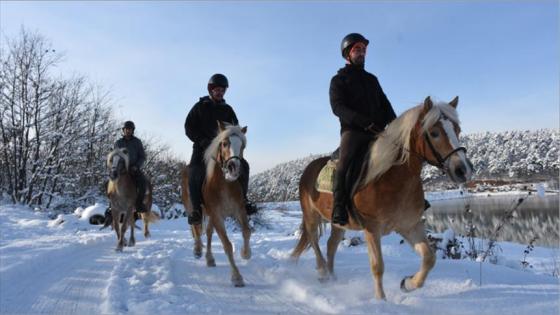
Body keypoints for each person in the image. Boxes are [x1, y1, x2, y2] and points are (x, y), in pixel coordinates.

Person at [329, 33, 397, 226]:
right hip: (353, 131)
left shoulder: (372, 80)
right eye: (357, 49)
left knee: (401, 155)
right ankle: (339, 206)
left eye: (364, 49)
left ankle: (410, 199)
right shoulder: (338, 80)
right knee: (345, 163)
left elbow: (385, 104)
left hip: (378, 131)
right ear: (347, 54)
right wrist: (361, 121)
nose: (362, 53)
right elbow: (337, 107)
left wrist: (395, 125)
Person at [184, 73, 256, 225]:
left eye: (222, 90)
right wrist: (201, 140)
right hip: (202, 148)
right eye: (217, 89)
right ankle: (196, 209)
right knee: (194, 171)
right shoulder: (199, 107)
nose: (220, 92)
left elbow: (235, 129)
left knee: (244, 165)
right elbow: (188, 127)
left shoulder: (228, 110)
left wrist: (236, 137)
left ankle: (244, 199)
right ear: (211, 90)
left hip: (224, 149)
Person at [114, 120, 148, 213]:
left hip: (134, 168)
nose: (128, 131)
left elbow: (142, 157)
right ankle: (111, 206)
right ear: (123, 130)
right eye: (126, 129)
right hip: (121, 168)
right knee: (109, 183)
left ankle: (139, 204)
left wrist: (137, 166)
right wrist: (115, 168)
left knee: (143, 183)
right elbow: (116, 156)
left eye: (130, 129)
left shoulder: (137, 142)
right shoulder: (118, 142)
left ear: (133, 130)